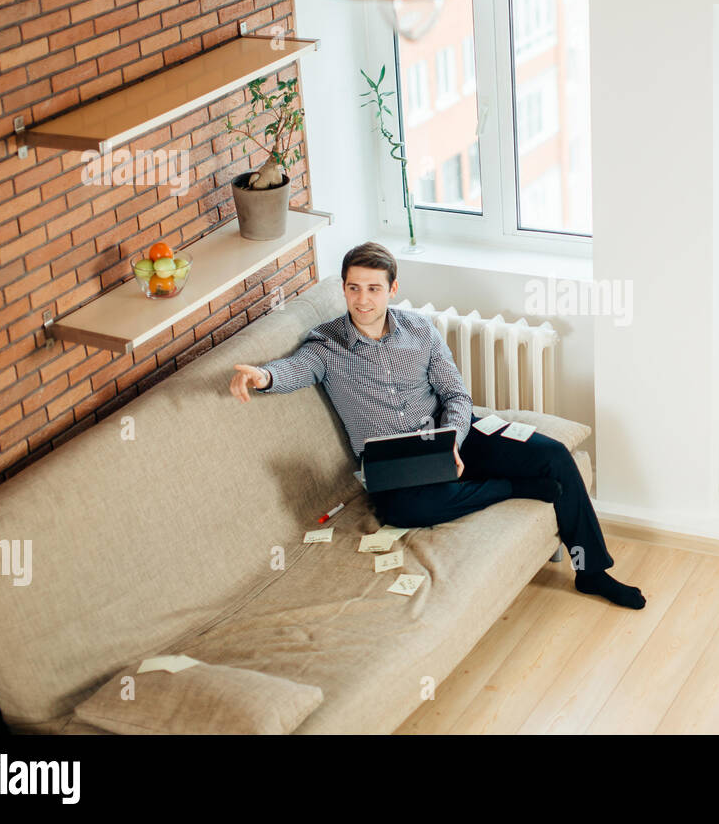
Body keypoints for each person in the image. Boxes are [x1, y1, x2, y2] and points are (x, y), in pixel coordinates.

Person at [228, 241, 645, 610]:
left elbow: (457, 397)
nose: (362, 299)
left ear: (393, 289)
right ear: (343, 288)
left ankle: (592, 571)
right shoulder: (326, 345)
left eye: (373, 288)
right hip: (394, 458)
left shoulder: (420, 330)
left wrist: (453, 443)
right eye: (353, 287)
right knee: (405, 509)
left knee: (553, 454)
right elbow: (293, 369)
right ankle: (513, 487)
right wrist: (261, 377)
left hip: (450, 432)